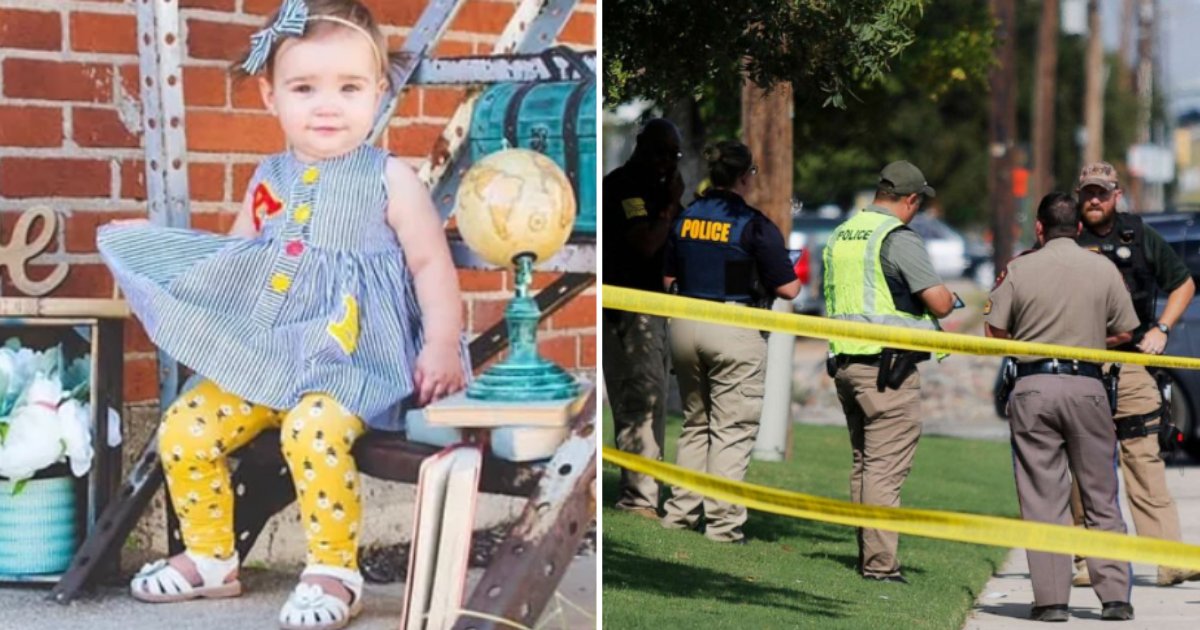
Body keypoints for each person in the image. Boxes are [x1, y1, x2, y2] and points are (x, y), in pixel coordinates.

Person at [96, 1, 468, 628]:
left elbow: (433, 267)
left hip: (353, 361)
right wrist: (158, 245)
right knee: (185, 425)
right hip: (269, 355)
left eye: (349, 87)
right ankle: (212, 557)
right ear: (270, 96)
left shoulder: (389, 179)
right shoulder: (267, 178)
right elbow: (236, 263)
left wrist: (441, 344)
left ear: (379, 92)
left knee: (310, 430)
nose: (328, 105)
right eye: (304, 88)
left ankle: (333, 571)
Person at [986, 192, 1138, 622]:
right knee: (1101, 496)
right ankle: (1115, 599)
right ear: (1078, 228)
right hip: (1088, 386)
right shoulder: (1103, 268)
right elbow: (1127, 332)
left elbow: (993, 329)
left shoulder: (1019, 268)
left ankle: (1052, 601)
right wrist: (1089, 339)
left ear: (1039, 228)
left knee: (1042, 498)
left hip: (1033, 387)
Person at [659, 141, 799, 543]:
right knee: (731, 429)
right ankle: (722, 526)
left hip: (685, 324)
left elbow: (668, 280)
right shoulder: (753, 224)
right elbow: (788, 290)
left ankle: (680, 514)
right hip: (734, 327)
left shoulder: (686, 217)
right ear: (744, 176)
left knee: (695, 424)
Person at [823, 161, 954, 583]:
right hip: (887, 370)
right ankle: (879, 565)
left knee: (864, 464)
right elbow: (938, 302)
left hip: (846, 363)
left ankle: (868, 554)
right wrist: (950, 296)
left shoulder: (843, 232)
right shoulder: (897, 237)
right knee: (884, 470)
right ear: (910, 199)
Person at [1070, 161, 1200, 588]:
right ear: (1078, 194)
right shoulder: (1064, 235)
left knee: (1143, 459)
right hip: (1079, 364)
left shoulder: (1139, 235)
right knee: (1085, 464)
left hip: (1131, 364)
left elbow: (1183, 285)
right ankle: (1089, 559)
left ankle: (1170, 558)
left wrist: (1162, 329)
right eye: (1088, 192)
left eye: (1101, 192)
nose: (1094, 200)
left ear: (1116, 194)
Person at [602, 118, 684, 519]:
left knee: (651, 402)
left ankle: (647, 490)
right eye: (661, 152)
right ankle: (638, 499)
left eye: (674, 155)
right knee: (638, 399)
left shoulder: (659, 189)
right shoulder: (625, 186)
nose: (667, 162)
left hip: (655, 309)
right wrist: (669, 208)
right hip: (627, 311)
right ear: (641, 146)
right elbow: (645, 243)